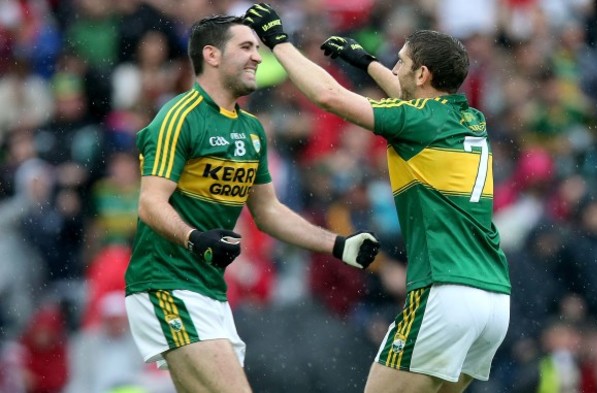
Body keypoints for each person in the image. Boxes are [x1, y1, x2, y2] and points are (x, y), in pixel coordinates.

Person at [243, 4, 511, 392]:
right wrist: (367, 63)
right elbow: (414, 100)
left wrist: (279, 42)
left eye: (399, 62)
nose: (394, 68)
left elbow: (329, 96)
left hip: (444, 292)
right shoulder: (470, 118)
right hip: (492, 300)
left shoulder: (415, 121)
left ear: (422, 73)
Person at [124, 15, 380, 393]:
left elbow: (269, 212)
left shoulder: (252, 129)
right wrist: (194, 238)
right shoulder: (177, 118)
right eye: (246, 47)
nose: (257, 57)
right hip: (167, 283)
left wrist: (338, 245)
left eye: (258, 49)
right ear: (211, 55)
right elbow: (150, 203)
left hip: (210, 291)